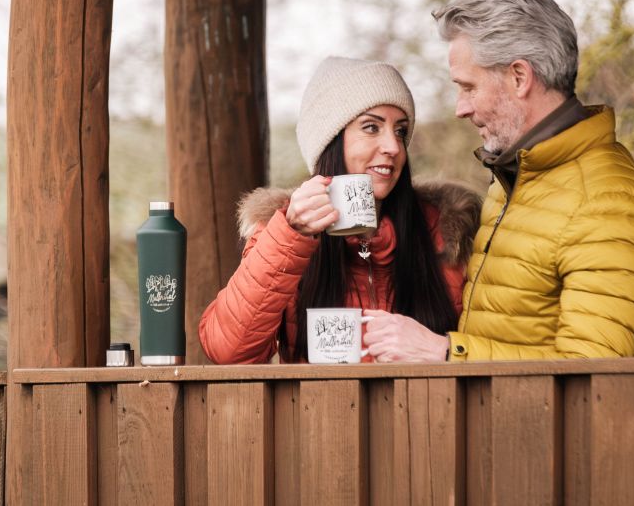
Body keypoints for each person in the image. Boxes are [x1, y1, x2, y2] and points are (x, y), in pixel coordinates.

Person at [432, 0, 634, 360]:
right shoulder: (517, 177)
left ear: (519, 77)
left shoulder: (607, 200)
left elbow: (591, 373)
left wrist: (449, 353)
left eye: (468, 87)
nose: (460, 108)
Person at [199, 56, 480, 364]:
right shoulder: (282, 235)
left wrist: (439, 349)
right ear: (329, 143)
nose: (394, 147)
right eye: (371, 127)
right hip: (321, 412)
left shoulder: (448, 232)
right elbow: (229, 352)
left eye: (400, 131)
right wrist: (291, 235)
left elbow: (489, 347)